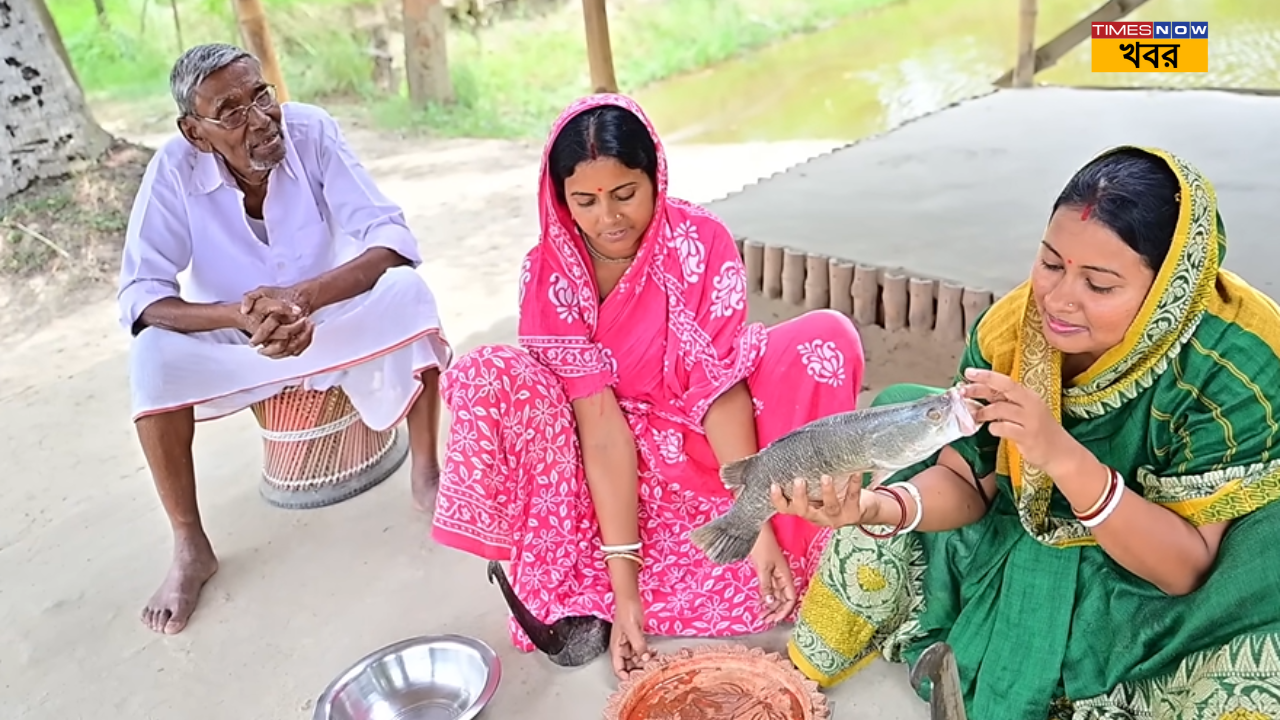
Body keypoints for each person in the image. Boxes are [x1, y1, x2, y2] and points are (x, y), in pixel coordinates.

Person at [776, 146, 1280, 719]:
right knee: (903, 415)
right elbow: (968, 483)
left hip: (1154, 571)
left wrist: (1058, 454)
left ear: (1166, 291)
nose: (1059, 299)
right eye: (1051, 262)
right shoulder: (1013, 331)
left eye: (1100, 284)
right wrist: (874, 507)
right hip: (1028, 519)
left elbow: (1184, 568)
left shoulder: (1241, 364)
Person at [431, 93, 866, 678]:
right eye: (584, 201)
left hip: (701, 437)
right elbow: (602, 430)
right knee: (492, 374)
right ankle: (586, 578)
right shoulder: (549, 274)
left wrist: (753, 524)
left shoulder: (697, 242)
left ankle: (788, 538)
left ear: (655, 178)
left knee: (825, 341)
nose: (608, 218)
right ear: (559, 198)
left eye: (625, 194)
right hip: (600, 462)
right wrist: (626, 588)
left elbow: (720, 391)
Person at [118, 43, 450, 635]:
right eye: (232, 111)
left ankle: (426, 475)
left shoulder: (312, 129)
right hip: (238, 342)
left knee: (407, 290)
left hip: (333, 318)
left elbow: (391, 236)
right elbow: (142, 296)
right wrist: (234, 317)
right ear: (195, 133)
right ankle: (190, 544)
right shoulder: (172, 167)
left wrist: (305, 298)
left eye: (261, 94)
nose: (261, 118)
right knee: (151, 358)